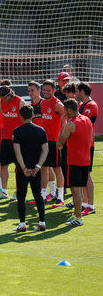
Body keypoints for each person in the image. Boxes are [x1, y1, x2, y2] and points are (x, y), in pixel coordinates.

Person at [12, 105, 49, 232]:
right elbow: (45, 150)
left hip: (23, 169)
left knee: (21, 196)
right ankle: (42, 222)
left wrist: (23, 168)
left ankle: (22, 224)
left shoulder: (17, 131)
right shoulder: (41, 130)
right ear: (32, 115)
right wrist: (38, 166)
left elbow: (18, 152)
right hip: (35, 169)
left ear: (21, 116)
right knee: (38, 195)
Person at [57, 99, 92, 226]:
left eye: (65, 110)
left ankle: (78, 218)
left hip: (75, 161)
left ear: (69, 110)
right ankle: (77, 214)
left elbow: (60, 141)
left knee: (76, 191)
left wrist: (62, 123)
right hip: (86, 160)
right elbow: (91, 137)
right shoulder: (86, 120)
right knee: (80, 191)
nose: (64, 112)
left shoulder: (70, 124)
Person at [0, 85, 25, 200]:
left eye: (5, 97)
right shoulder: (0, 102)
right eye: (1, 98)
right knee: (3, 165)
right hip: (6, 138)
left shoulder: (20, 102)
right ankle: (4, 191)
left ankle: (18, 191)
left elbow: (25, 120)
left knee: (19, 167)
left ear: (10, 94)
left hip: (18, 139)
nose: (3, 100)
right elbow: (5, 118)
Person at [40, 80, 65, 206]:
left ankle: (60, 197)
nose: (45, 92)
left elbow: (64, 119)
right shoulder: (43, 103)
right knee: (44, 168)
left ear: (54, 90)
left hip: (54, 141)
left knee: (57, 168)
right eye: (44, 90)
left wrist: (60, 138)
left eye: (48, 90)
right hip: (45, 141)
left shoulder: (58, 104)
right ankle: (43, 195)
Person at [76, 82, 98, 215]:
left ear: (82, 91)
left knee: (87, 175)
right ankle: (84, 203)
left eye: (77, 91)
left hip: (88, 145)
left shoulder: (91, 106)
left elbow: (86, 125)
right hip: (80, 145)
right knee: (83, 175)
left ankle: (91, 205)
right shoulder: (81, 105)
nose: (75, 94)